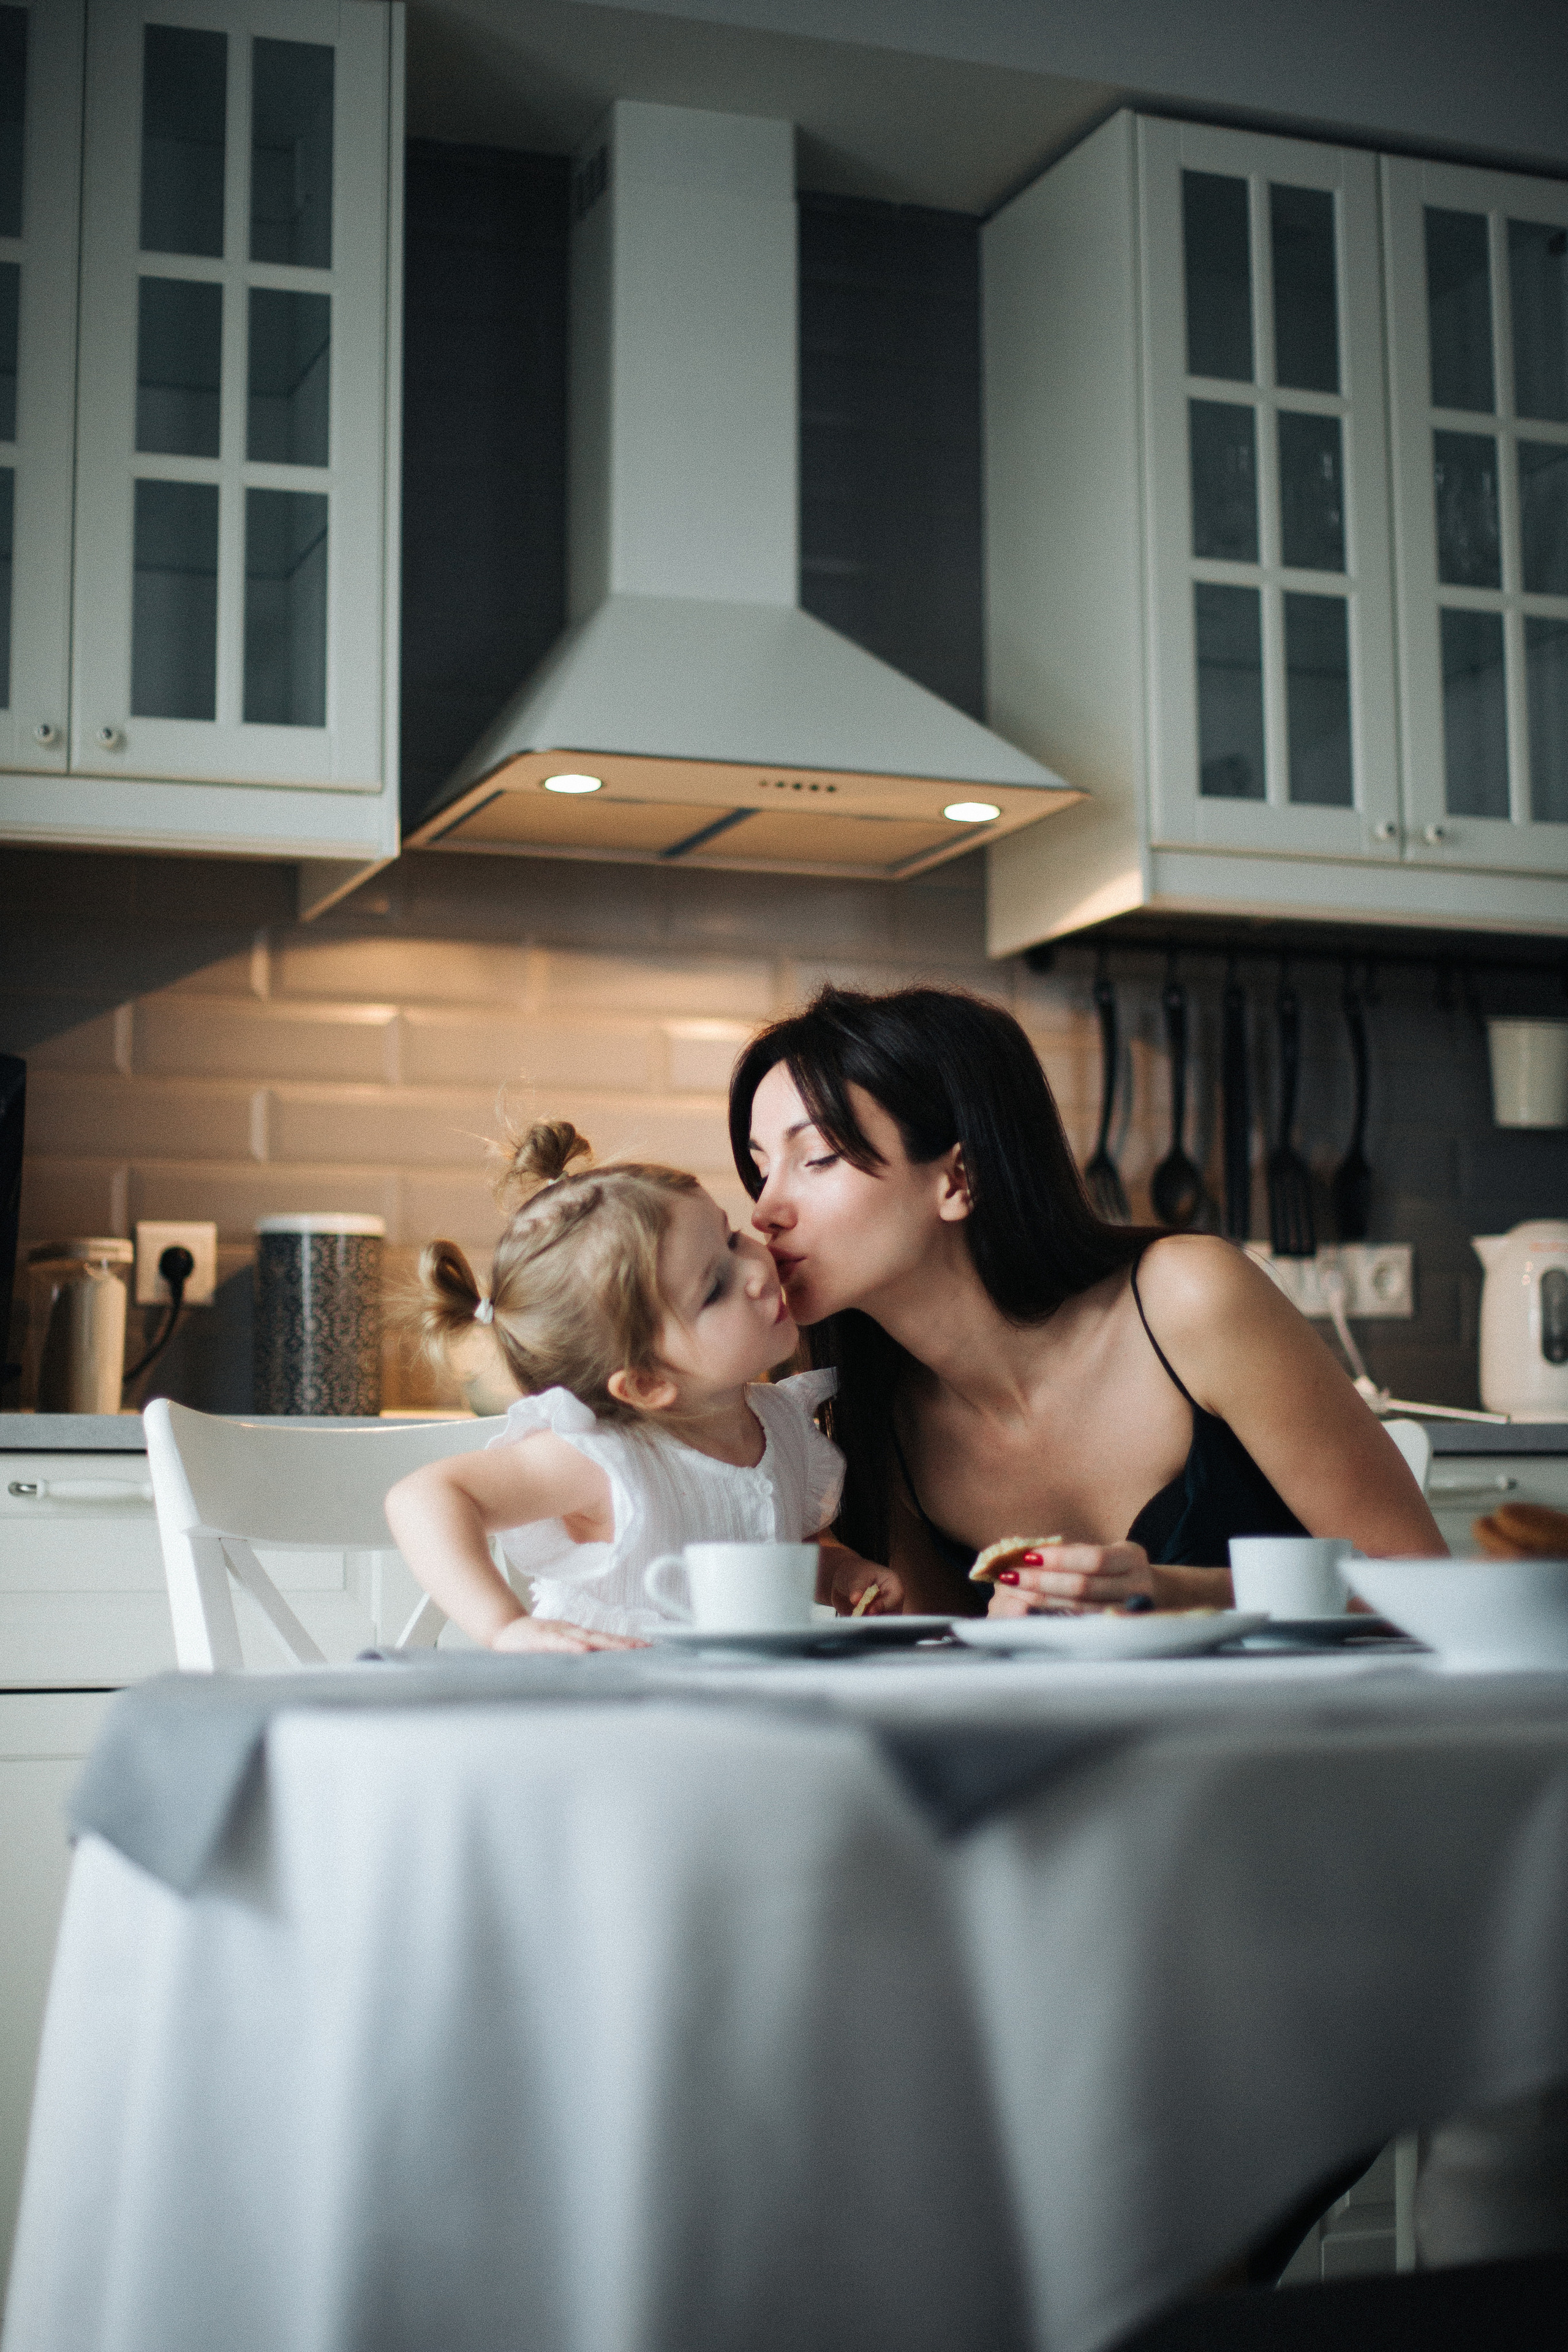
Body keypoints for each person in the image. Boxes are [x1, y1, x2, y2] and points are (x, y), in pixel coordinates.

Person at [730, 986, 1444, 1617]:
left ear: (959, 1178)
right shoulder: (875, 1421)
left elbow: (1418, 1581)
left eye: (816, 1157)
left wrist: (1178, 1592)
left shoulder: (1188, 1297)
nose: (765, 1211)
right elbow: (950, 1674)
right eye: (760, 1171)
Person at [385, 1118, 886, 1653]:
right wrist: (504, 1626)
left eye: (732, 1238)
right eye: (714, 1288)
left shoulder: (784, 1425)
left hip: (732, 1709)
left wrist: (835, 1571)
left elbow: (776, 1541)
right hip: (607, 1708)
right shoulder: (605, 1459)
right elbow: (421, 1497)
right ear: (646, 1383)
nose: (757, 1271)